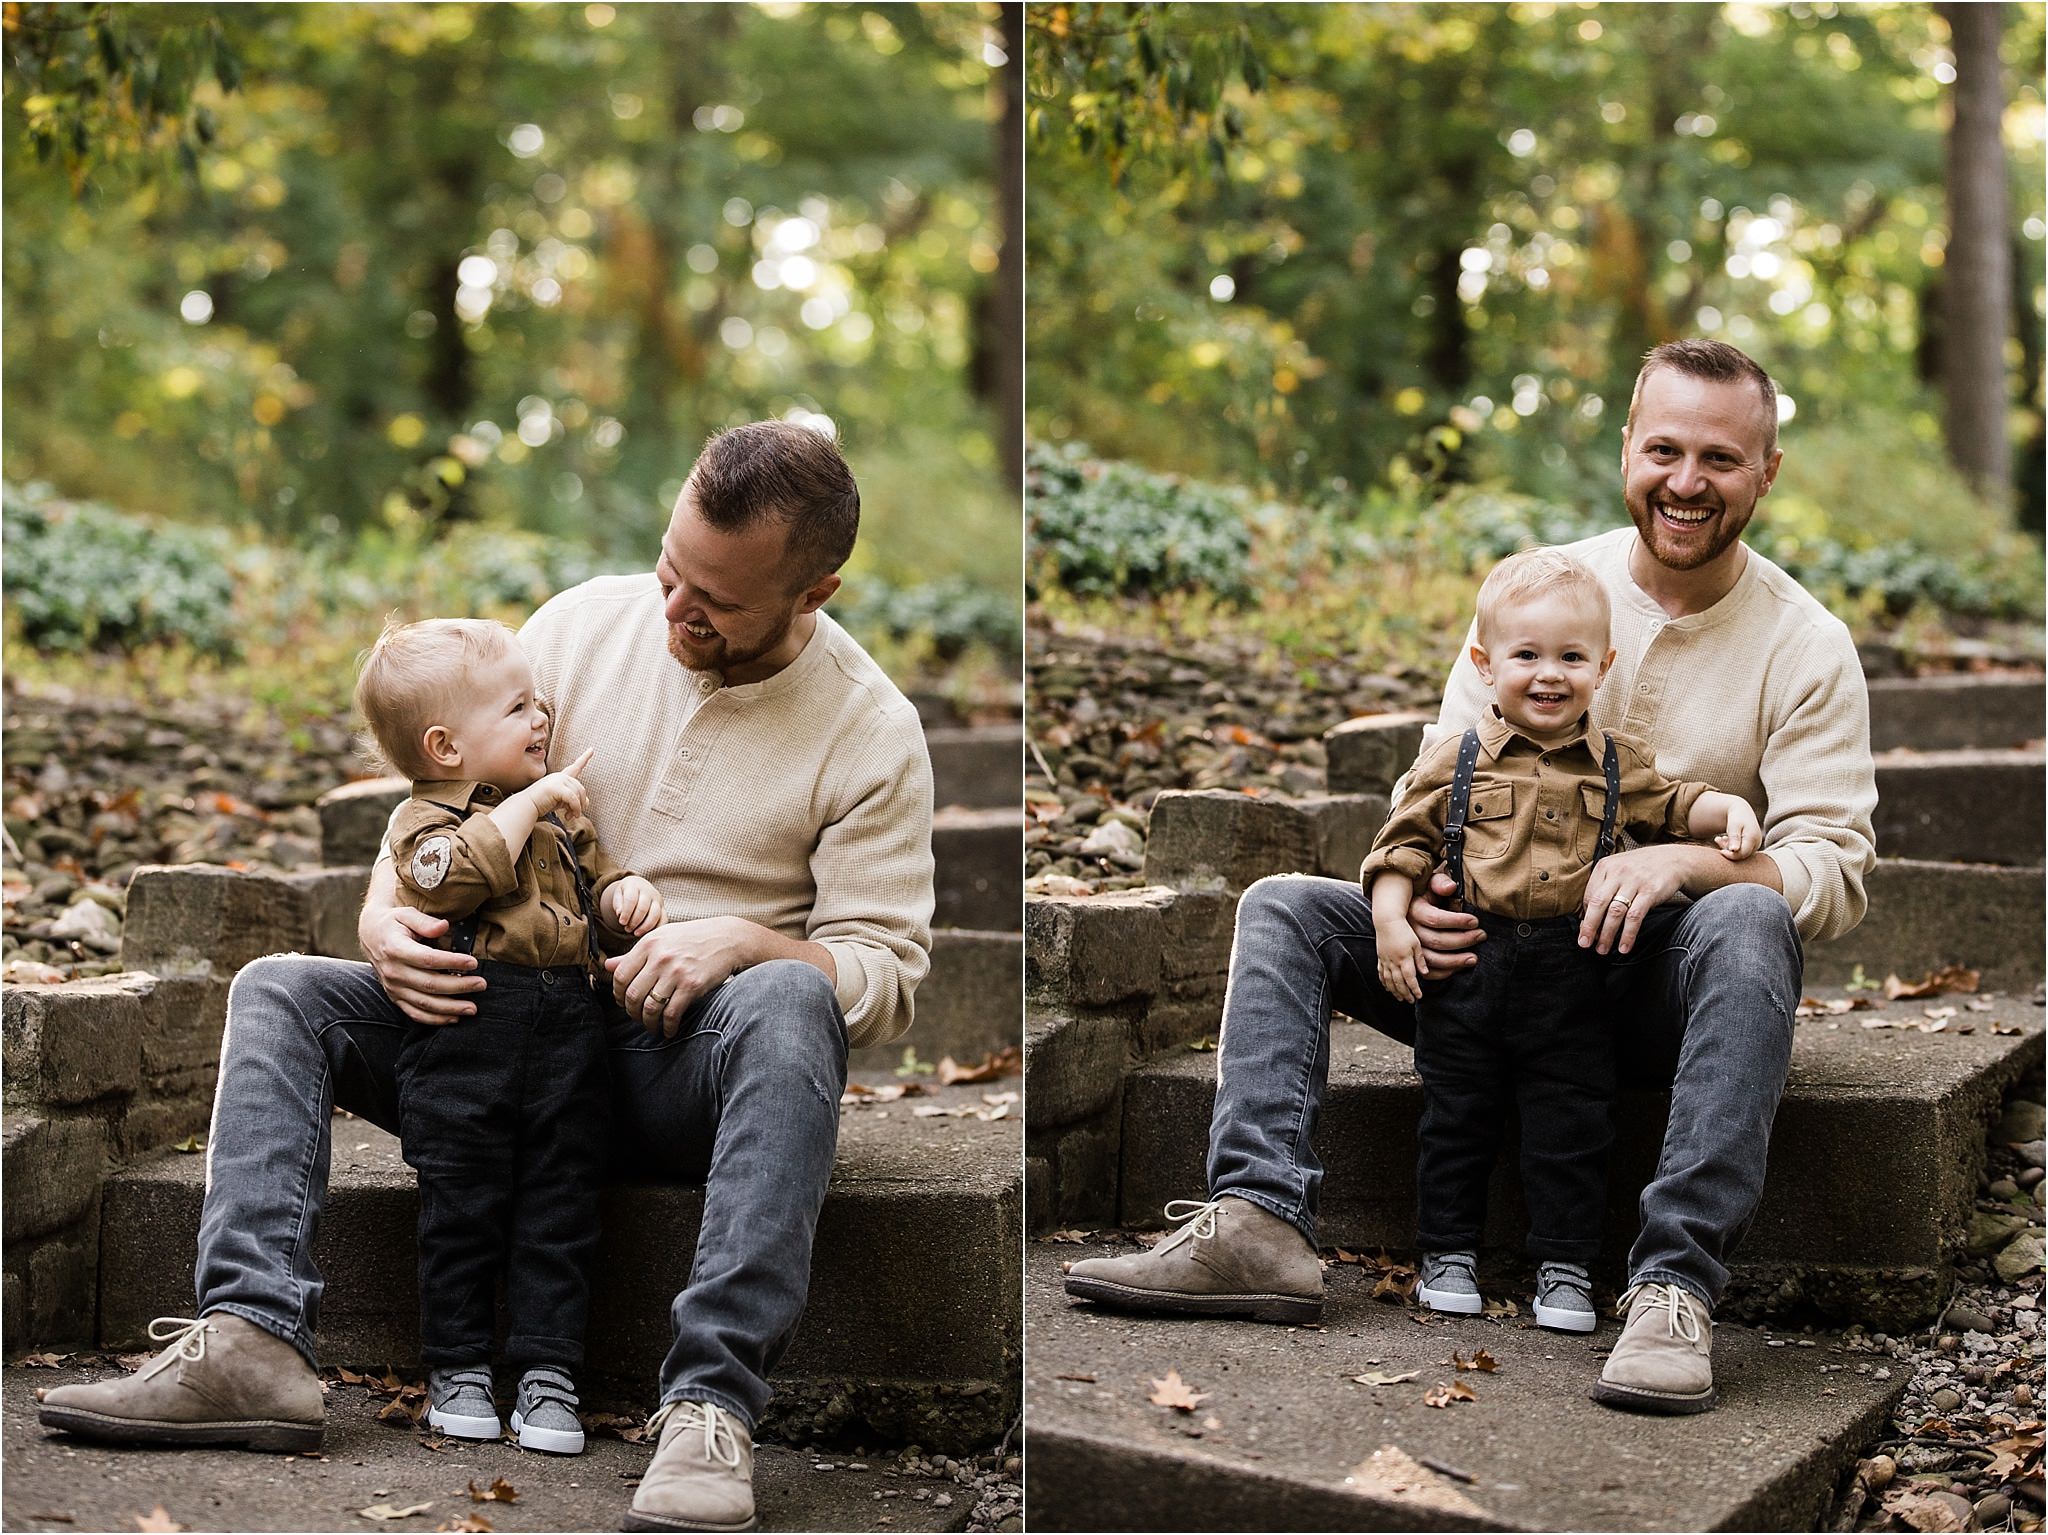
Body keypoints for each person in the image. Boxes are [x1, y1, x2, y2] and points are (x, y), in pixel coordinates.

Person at [38, 422, 937, 1528]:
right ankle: (251, 1339)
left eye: (715, 602)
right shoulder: (573, 628)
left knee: (793, 999)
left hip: (667, 1061)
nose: (672, 613)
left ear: (816, 589)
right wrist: (381, 919)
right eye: (669, 569)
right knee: (278, 985)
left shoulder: (869, 727)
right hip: (487, 1021)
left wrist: (748, 942)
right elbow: (433, 797)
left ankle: (710, 1404)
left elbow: (884, 973)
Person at [1063, 338, 1876, 1416]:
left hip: (1637, 986)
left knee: (1746, 920)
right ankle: (1256, 1218)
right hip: (1477, 966)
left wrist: (1685, 857)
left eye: (1719, 459)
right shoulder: (1540, 594)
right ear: (1626, 447)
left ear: (1764, 470)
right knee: (1285, 909)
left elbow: (1834, 864)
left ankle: (1671, 1284)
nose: (1685, 482)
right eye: (1664, 449)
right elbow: (1432, 784)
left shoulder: (1803, 645)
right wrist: (1402, 906)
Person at [1361, 547, 1760, 1333]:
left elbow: (1677, 804)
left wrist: (1729, 813)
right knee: (1454, 1119)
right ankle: (1446, 1252)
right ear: (1484, 662)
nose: (1550, 674)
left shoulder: (1616, 763)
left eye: (1572, 657)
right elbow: (1398, 845)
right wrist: (1389, 919)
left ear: (1603, 665)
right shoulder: (1457, 758)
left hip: (1576, 978)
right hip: (1470, 968)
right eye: (1527, 655)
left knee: (1572, 1126)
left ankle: (1566, 1267)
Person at [354, 617, 666, 1453]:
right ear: (445, 746)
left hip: (570, 1032)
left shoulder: (562, 816)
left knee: (561, 1207)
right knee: (461, 1204)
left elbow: (595, 884)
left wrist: (622, 899)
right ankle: (457, 1365)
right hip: (467, 1035)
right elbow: (447, 883)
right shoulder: (423, 823)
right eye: (519, 707)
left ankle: (547, 1373)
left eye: (540, 701)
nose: (543, 718)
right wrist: (530, 803)